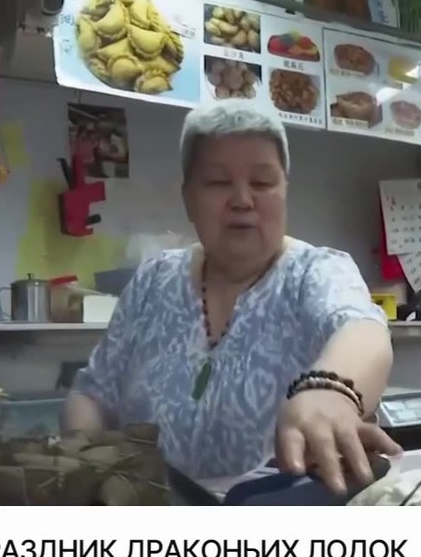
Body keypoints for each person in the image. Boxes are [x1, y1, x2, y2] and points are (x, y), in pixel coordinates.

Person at [64, 99, 402, 492]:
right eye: (218, 182)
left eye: (262, 182)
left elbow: (362, 330)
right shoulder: (153, 281)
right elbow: (93, 393)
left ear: (284, 191)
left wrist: (330, 391)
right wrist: (85, 466)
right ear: (188, 198)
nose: (242, 199)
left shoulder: (316, 271)